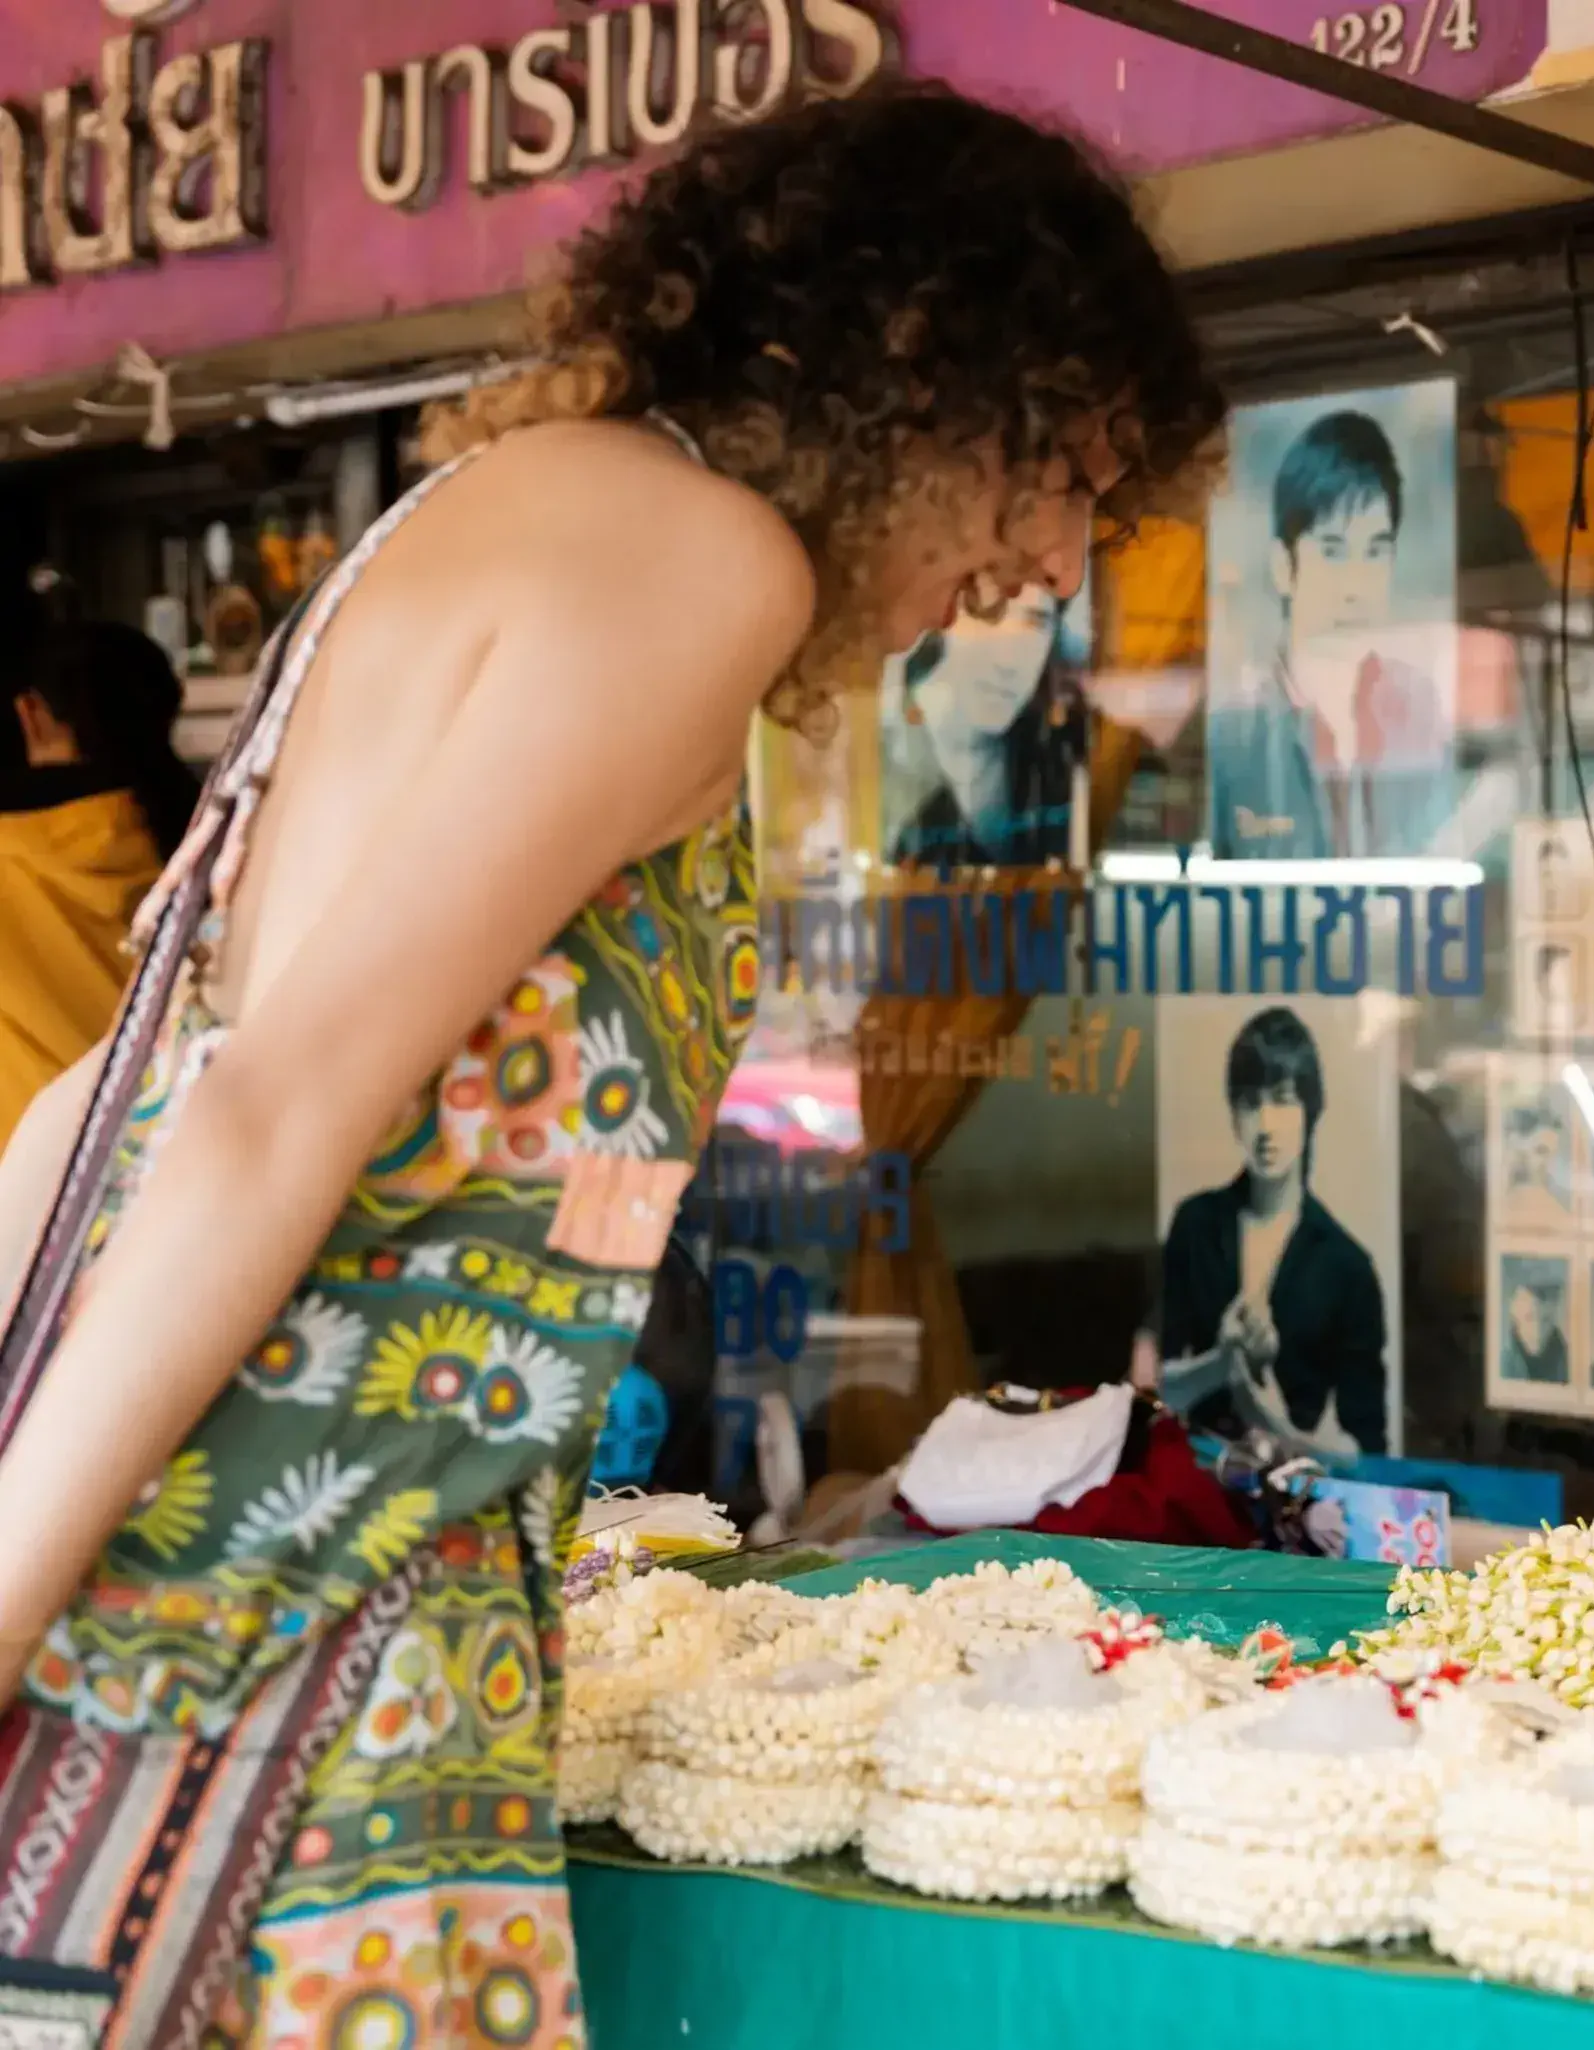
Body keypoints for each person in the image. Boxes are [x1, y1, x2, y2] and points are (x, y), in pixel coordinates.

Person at [0, 83, 1221, 2040]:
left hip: (210, 1574)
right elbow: (265, 1100)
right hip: (311, 1598)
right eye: (1057, 465)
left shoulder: (492, 510)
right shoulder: (704, 564)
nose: (1063, 557)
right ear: (917, 367)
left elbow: (121, 1092)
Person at [1208, 409, 1452, 859]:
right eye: (1332, 552)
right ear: (1284, 567)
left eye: (1375, 552)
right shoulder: (1233, 734)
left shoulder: (1420, 707)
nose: (1356, 586)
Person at [1156, 1007, 1389, 1457]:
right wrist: (1220, 1364)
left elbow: (1367, 1453)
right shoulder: (1195, 1226)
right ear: (1233, 1114)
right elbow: (1153, 1394)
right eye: (1249, 1102)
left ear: (1310, 1110)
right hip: (1195, 1482)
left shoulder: (1348, 1269)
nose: (1265, 1126)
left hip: (1300, 1497)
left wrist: (1272, 1415)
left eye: (1282, 1099)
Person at [0, 622, 197, 1141]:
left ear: (31, 715)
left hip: (26, 1192)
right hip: (156, 1170)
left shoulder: (10, 853)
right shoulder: (196, 843)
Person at [882, 581, 1095, 870]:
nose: (1008, 659)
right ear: (940, 619)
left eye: (1035, 622)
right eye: (987, 615)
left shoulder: (1059, 761)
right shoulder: (885, 749)